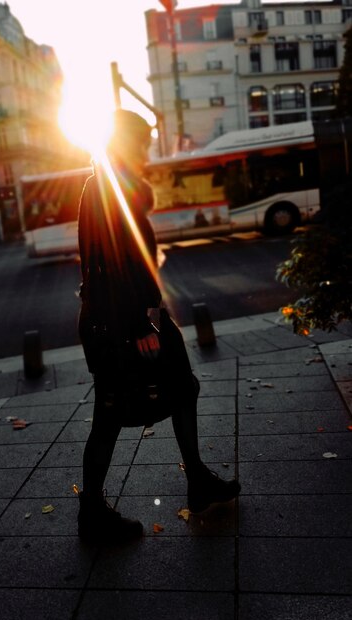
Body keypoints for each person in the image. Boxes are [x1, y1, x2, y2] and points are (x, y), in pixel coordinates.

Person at [77, 109, 240, 542]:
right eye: (143, 140)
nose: (148, 148)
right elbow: (116, 263)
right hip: (126, 323)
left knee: (173, 392)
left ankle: (197, 480)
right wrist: (141, 325)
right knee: (115, 413)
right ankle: (93, 511)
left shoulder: (103, 185)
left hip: (116, 321)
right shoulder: (112, 190)